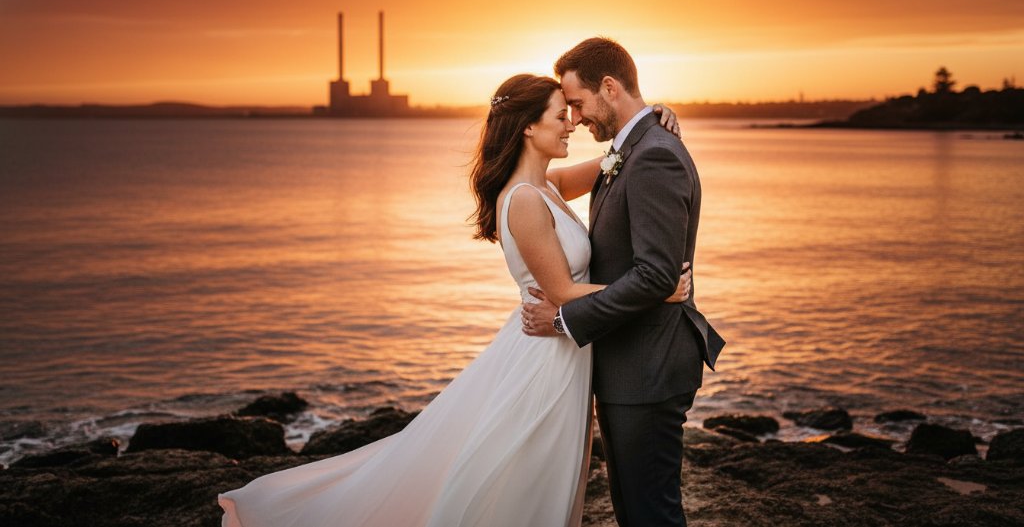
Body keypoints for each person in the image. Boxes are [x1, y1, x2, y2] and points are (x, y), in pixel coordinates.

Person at [217, 74, 689, 527]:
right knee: (526, 480)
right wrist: (657, 290)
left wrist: (650, 116)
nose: (571, 123)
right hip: (546, 359)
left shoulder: (547, 186)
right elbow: (564, 294)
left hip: (565, 348)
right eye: (559, 115)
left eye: (571, 112)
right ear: (528, 126)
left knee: (536, 476)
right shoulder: (524, 199)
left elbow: (618, 159)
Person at [522, 38, 726, 527]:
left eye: (578, 103)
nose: (575, 118)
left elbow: (657, 274)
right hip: (628, 364)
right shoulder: (628, 150)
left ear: (609, 88)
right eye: (565, 110)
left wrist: (563, 319)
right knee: (635, 510)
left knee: (649, 513)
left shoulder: (653, 155)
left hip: (648, 367)